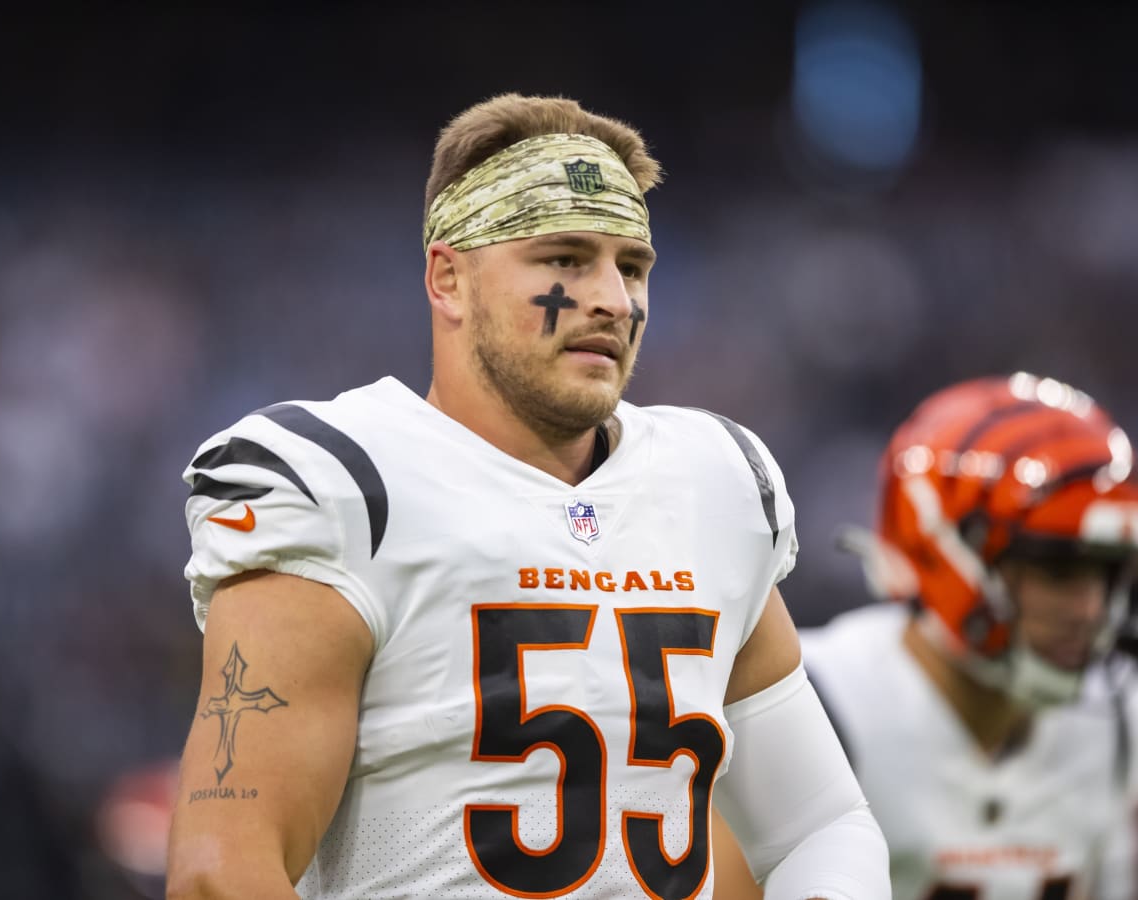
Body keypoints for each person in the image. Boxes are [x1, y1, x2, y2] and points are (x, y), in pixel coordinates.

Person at [164, 93, 889, 899]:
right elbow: (220, 872)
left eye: (633, 266)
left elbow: (818, 825)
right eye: (565, 259)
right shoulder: (344, 484)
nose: (614, 299)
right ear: (449, 279)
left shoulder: (713, 480)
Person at [714, 372, 1138, 900]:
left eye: (1109, 574)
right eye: (1057, 570)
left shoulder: (1119, 720)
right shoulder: (814, 700)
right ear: (946, 550)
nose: (1091, 608)